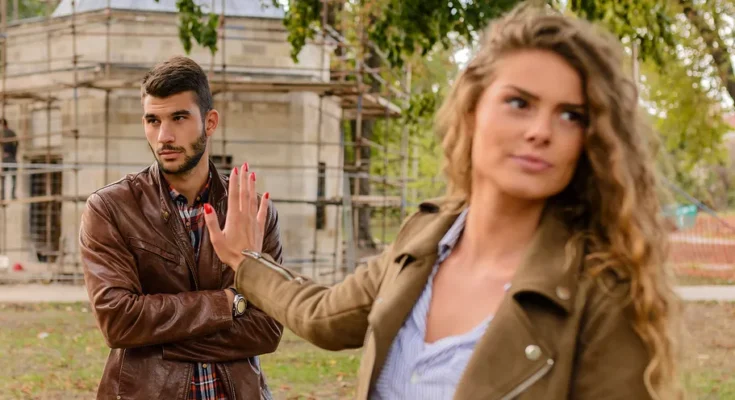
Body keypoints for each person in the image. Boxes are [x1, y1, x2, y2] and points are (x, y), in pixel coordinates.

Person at [203, 4, 683, 400]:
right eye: (520, 102)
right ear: (474, 109)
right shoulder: (426, 236)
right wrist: (245, 261)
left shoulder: (600, 291)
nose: (541, 131)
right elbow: (324, 315)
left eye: (571, 115)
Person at [79, 56, 284, 400]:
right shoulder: (111, 208)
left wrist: (157, 337)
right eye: (152, 120)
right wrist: (228, 304)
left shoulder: (253, 211)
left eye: (179, 118)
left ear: (210, 121)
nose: (164, 136)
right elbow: (119, 321)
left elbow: (266, 329)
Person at [1, 118, 17, 200]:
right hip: (11, 157)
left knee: (4, 177)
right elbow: (16, 144)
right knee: (13, 176)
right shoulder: (11, 132)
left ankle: (3, 196)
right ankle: (12, 195)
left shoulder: (3, 133)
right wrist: (13, 154)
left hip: (5, 158)